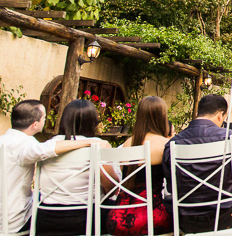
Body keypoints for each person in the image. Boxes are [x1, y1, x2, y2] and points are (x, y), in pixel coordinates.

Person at [162, 94, 232, 236]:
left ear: (198, 113)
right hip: (224, 216)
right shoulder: (230, 137)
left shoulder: (173, 143)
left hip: (185, 219)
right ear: (220, 115)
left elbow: (171, 184)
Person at [0, 100, 107, 234]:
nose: (45, 120)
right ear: (35, 124)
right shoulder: (27, 145)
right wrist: (89, 142)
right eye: (44, 118)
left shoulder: (3, 140)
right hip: (13, 221)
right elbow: (50, 148)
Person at [35, 99, 119, 235]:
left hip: (47, 218)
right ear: (92, 122)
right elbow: (111, 187)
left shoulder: (49, 146)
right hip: (84, 219)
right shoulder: (98, 145)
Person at [107, 96, 172, 236]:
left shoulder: (127, 144)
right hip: (150, 218)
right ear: (162, 117)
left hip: (117, 218)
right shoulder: (165, 144)